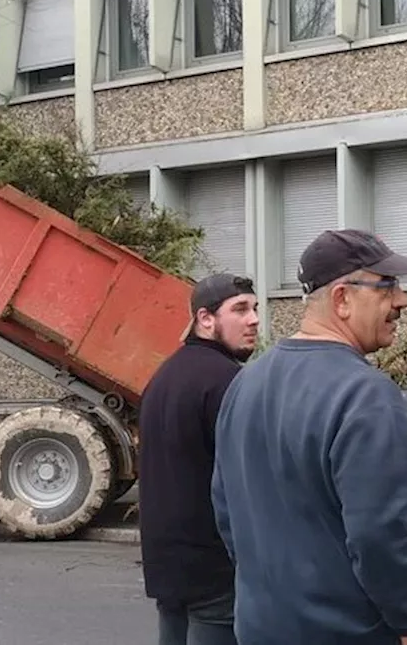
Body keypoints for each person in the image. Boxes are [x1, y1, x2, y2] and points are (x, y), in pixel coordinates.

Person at [211, 229, 407, 645]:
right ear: (342, 299)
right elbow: (379, 536)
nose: (401, 301)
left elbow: (226, 511)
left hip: (260, 626)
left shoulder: (245, 383)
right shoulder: (367, 395)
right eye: (386, 287)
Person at [138, 273, 260, 645]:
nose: (254, 319)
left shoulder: (164, 375)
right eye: (240, 309)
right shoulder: (226, 381)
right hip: (215, 571)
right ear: (206, 319)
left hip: (167, 567)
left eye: (255, 308)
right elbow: (246, 482)